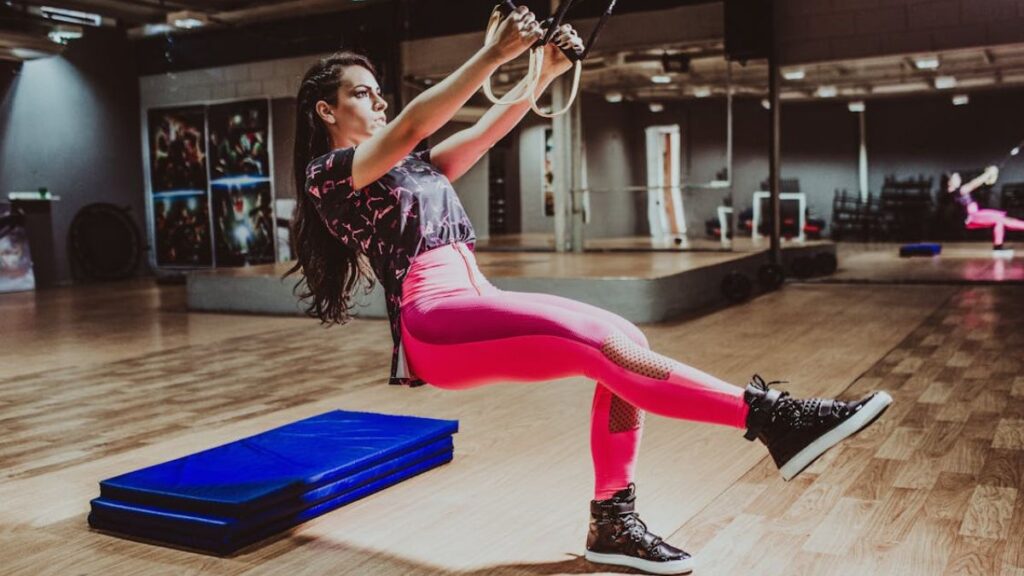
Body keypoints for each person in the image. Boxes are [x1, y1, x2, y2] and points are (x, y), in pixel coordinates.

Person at [285, 8, 892, 574]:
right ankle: (773, 419)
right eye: (361, 92)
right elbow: (418, 120)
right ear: (325, 112)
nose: (379, 100)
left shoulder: (412, 168)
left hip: (472, 302)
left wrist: (540, 71)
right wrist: (493, 54)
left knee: (623, 340)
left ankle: (613, 520)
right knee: (599, 343)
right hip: (435, 324)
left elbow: (488, 130)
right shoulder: (329, 176)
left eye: (378, 90)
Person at [947, 165, 1023, 255]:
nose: (958, 179)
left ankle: (998, 247)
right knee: (1001, 220)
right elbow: (975, 183)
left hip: (975, 214)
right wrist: (988, 173)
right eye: (955, 177)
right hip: (972, 217)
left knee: (1000, 220)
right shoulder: (959, 191)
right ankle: (998, 249)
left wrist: (989, 175)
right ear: (949, 181)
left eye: (958, 177)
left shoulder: (958, 191)